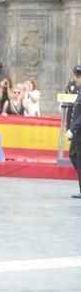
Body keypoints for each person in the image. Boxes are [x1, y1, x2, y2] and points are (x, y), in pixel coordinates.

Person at [66, 65, 81, 198]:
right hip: (77, 133)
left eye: (78, 76)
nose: (76, 79)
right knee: (73, 155)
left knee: (78, 158)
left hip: (79, 132)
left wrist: (73, 128)